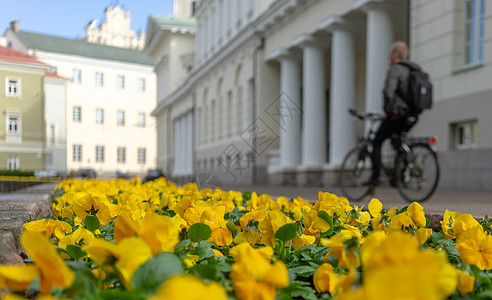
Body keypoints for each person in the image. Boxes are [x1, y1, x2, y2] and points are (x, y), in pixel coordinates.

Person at [362, 41, 420, 186]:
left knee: (376, 142)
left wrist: (388, 112)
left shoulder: (396, 69)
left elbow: (389, 92)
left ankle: (375, 176)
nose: (389, 57)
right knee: (398, 142)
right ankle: (398, 177)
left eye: (390, 54)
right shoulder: (414, 69)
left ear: (395, 54)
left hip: (398, 115)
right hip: (413, 115)